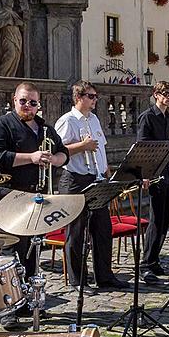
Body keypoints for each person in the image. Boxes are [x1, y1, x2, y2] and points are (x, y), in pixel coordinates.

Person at [0, 82, 68, 280]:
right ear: (14, 100)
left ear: (38, 105)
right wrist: (31, 157)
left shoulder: (45, 129)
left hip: (37, 197)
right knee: (14, 251)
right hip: (9, 197)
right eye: (23, 101)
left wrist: (56, 160)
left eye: (33, 103)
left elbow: (63, 151)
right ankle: (14, 296)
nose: (27, 106)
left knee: (34, 249)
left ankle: (31, 296)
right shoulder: (1, 125)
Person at [55, 80, 127, 290]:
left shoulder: (93, 119)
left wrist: (106, 170)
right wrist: (82, 146)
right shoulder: (67, 121)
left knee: (102, 228)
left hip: (96, 178)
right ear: (79, 97)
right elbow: (59, 151)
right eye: (91, 96)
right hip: (75, 180)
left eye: (96, 96)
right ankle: (78, 279)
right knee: (76, 233)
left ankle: (104, 276)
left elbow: (100, 147)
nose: (95, 100)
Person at [136, 81, 169, 284]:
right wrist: (145, 174)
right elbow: (142, 147)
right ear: (156, 94)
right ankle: (146, 264)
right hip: (152, 172)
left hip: (166, 170)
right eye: (165, 93)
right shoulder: (147, 117)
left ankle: (154, 260)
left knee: (164, 219)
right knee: (155, 219)